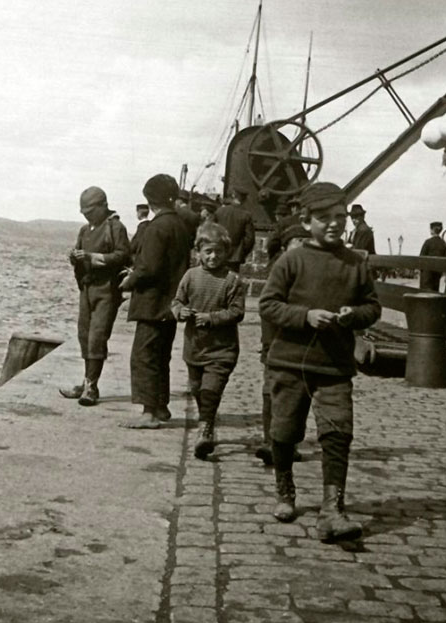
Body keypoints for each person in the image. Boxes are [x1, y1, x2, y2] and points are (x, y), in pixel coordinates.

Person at [259, 181, 381, 543]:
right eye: (324, 217)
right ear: (307, 219)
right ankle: (285, 490)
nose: (334, 224)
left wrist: (352, 314)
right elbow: (268, 304)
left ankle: (332, 510)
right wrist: (306, 316)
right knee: (283, 433)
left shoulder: (355, 263)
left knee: (338, 433)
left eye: (340, 217)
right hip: (289, 363)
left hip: (335, 367)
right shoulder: (291, 260)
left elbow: (372, 306)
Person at [119, 174, 191, 429]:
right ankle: (161, 406)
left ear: (150, 200)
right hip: (170, 304)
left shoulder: (156, 227)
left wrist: (130, 279)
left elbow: (149, 268)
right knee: (162, 355)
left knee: (144, 355)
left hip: (153, 303)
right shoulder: (180, 225)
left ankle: (148, 412)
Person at [172, 223, 246, 459]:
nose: (213, 257)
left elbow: (237, 312)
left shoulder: (232, 280)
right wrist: (180, 311)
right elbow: (176, 301)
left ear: (227, 253)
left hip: (222, 349)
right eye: (208, 252)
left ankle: (205, 429)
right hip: (194, 347)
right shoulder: (191, 276)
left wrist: (212, 318)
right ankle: (207, 419)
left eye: (219, 252)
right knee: (197, 388)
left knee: (210, 390)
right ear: (198, 252)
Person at [59, 186, 130, 406]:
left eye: (89, 210)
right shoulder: (84, 230)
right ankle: (87, 380)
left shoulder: (115, 227)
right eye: (84, 211)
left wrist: (91, 257)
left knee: (98, 336)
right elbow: (80, 255)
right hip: (87, 289)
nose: (86, 215)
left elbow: (122, 256)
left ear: (103, 206)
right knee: (85, 335)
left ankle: (92, 386)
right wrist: (75, 257)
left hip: (107, 289)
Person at [255, 222, 309, 465]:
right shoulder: (279, 270)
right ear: (287, 246)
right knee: (272, 389)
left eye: (306, 244)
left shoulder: (309, 269)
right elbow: (268, 309)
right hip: (276, 340)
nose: (302, 248)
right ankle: (271, 442)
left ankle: (286, 443)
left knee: (296, 393)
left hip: (301, 343)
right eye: (298, 243)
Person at [213, 189, 255, 272]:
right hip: (235, 257)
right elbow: (250, 239)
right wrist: (241, 252)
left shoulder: (220, 211)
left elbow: (211, 231)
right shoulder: (246, 215)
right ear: (244, 199)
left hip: (218, 252)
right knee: (232, 281)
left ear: (233, 196)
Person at [419, 221, 446, 291]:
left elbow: (421, 257)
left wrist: (422, 270)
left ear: (432, 230)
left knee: (424, 293)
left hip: (427, 274)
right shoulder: (443, 243)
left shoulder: (428, 242)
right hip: (437, 274)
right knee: (434, 293)